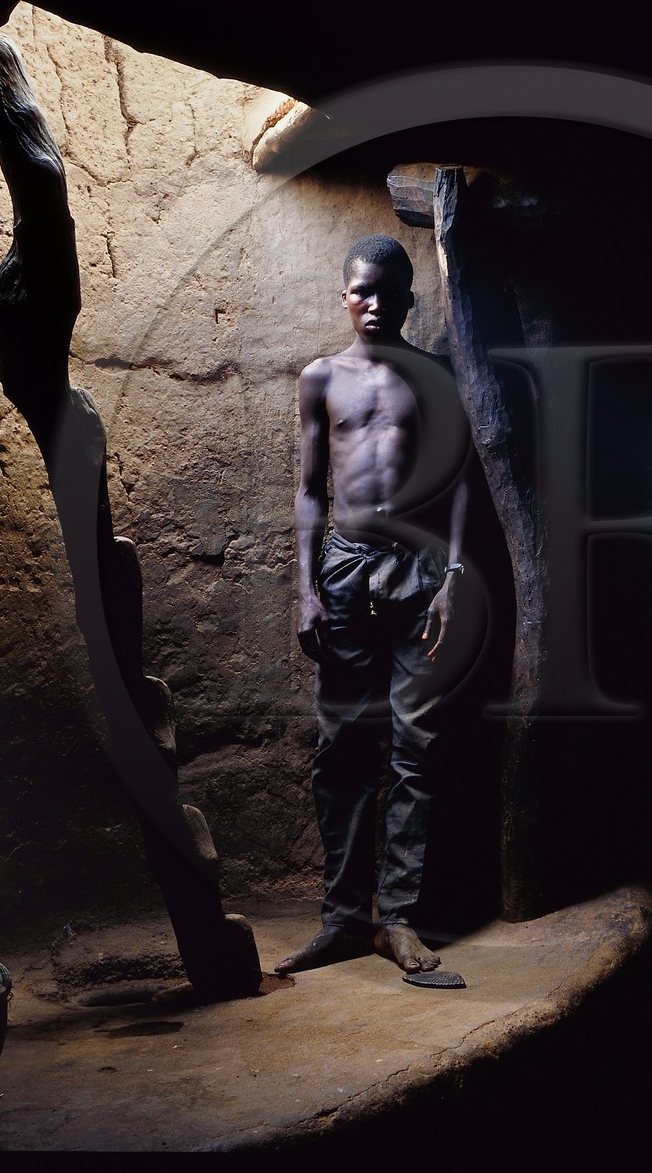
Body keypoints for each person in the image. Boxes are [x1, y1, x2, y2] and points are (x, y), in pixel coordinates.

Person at [277, 234, 470, 976]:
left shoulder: (433, 378)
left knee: (416, 747)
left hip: (418, 570)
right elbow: (308, 490)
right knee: (342, 750)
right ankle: (341, 919)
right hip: (345, 571)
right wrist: (305, 589)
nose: (376, 304)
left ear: (410, 299)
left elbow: (457, 483)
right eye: (362, 291)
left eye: (390, 293)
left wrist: (452, 576)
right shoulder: (320, 378)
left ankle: (398, 919)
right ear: (345, 294)